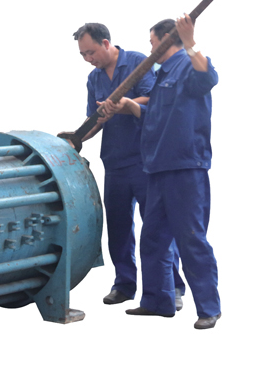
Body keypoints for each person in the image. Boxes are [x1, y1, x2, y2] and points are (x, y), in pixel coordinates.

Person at [101, 15, 221, 329]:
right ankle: (157, 301)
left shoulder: (187, 65)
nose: (150, 48)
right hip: (156, 168)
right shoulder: (162, 74)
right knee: (153, 239)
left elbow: (208, 77)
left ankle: (209, 308)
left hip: (184, 168)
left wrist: (191, 42)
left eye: (153, 42)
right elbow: (154, 116)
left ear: (167, 40)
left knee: (191, 239)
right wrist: (129, 106)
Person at [71, 23, 185, 307]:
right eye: (83, 55)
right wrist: (75, 138)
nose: (88, 59)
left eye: (91, 52)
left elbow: (155, 99)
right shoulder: (94, 79)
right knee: (119, 229)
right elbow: (95, 119)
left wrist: (124, 104)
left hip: (146, 159)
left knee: (157, 228)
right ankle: (124, 284)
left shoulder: (138, 63)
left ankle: (171, 287)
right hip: (115, 162)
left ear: (106, 43)